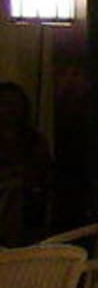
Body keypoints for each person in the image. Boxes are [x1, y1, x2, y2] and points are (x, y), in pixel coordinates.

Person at [0, 80, 54, 246]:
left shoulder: (34, 141)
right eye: (5, 104)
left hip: (28, 207)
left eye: (14, 104)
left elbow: (45, 174)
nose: (9, 110)